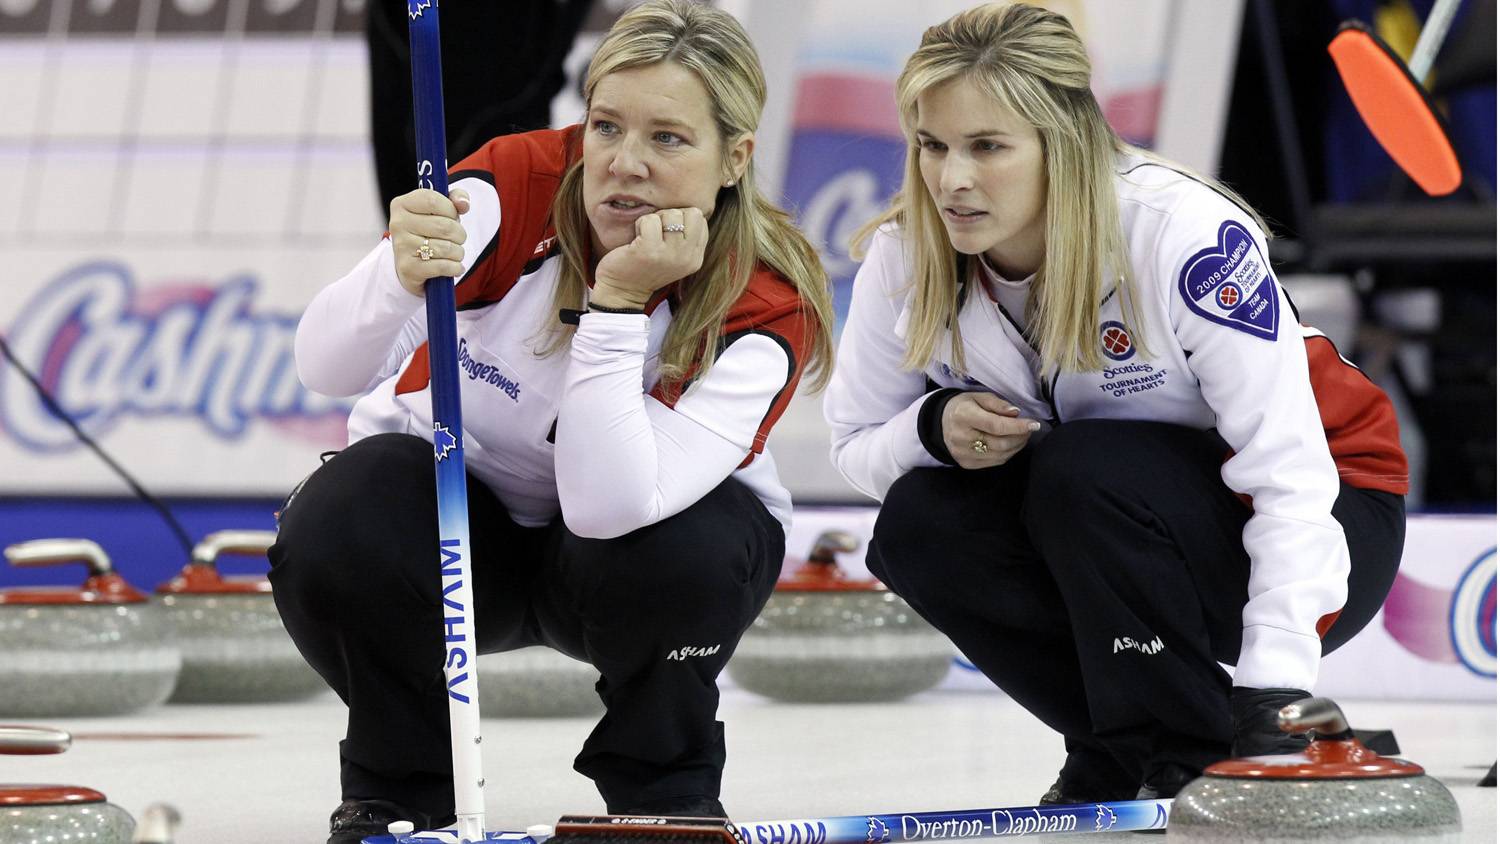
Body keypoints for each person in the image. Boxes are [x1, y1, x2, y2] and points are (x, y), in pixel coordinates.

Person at [272, 1, 834, 840]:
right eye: (607, 126)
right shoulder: (515, 182)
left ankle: (664, 785)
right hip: (466, 538)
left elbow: (610, 508)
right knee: (344, 513)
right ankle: (397, 787)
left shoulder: (765, 300)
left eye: (668, 139)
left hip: (620, 561)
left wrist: (617, 302)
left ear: (735, 158)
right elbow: (323, 367)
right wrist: (394, 276)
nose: (624, 165)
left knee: (695, 548)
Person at [824, 2, 1407, 804]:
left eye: (987, 146)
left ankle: (1189, 745)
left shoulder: (1182, 233)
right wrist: (931, 427)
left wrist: (1274, 688)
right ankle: (1127, 749)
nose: (952, 179)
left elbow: (1291, 471)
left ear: (1060, 140)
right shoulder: (907, 252)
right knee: (922, 523)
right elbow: (855, 445)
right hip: (1108, 522)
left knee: (1083, 466)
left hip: (1332, 515)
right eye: (932, 145)